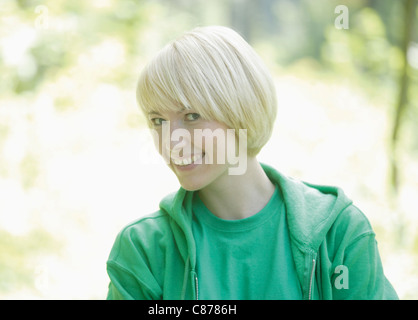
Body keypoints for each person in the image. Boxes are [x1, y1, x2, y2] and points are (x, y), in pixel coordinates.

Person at [106, 26, 398, 300]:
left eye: (191, 116)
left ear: (241, 110)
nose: (170, 141)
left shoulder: (339, 231)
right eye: (158, 121)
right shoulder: (143, 250)